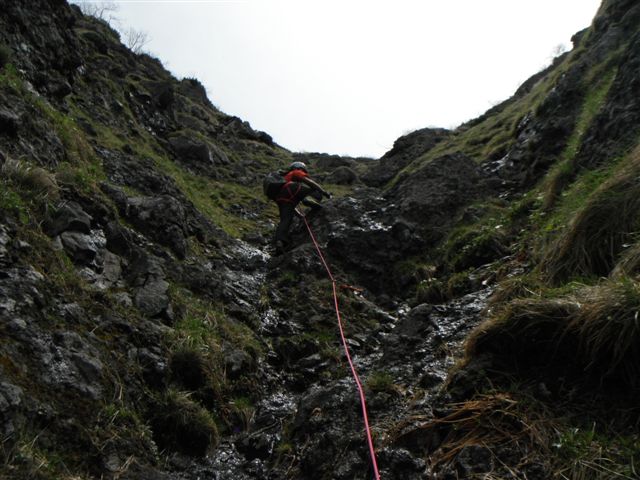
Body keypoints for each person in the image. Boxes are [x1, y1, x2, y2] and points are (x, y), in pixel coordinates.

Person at [272, 161, 331, 254]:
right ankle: (309, 199)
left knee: (285, 220)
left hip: (280, 198)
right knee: (316, 191)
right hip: (292, 188)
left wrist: (300, 216)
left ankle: (280, 242)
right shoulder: (296, 171)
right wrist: (323, 192)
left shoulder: (284, 178)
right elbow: (310, 183)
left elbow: (291, 208)